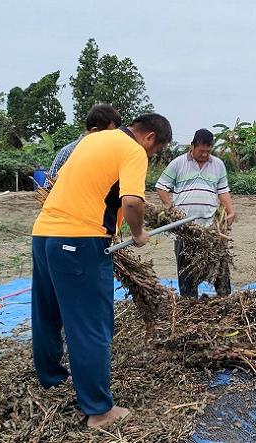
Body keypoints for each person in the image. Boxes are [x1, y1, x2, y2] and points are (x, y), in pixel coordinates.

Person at [31, 113, 172, 428]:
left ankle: (51, 379)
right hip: (79, 241)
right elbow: (133, 201)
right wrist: (138, 234)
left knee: (47, 312)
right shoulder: (133, 149)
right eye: (155, 151)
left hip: (43, 234)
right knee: (91, 323)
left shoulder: (92, 140)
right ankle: (99, 410)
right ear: (150, 138)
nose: (151, 156)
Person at [155, 128, 235, 298]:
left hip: (210, 228)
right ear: (192, 146)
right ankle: (189, 302)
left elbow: (223, 191)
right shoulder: (178, 163)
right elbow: (161, 186)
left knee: (219, 264)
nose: (205, 154)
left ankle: (224, 298)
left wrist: (230, 211)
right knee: (187, 268)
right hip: (185, 228)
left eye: (208, 151)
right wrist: (171, 207)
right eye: (201, 151)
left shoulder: (218, 165)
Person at [46, 104, 123, 188]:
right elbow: (47, 188)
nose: (113, 139)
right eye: (109, 134)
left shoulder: (111, 155)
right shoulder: (68, 152)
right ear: (94, 131)